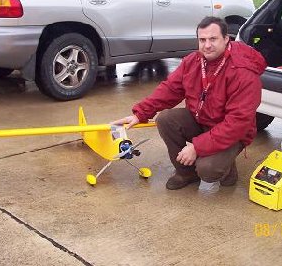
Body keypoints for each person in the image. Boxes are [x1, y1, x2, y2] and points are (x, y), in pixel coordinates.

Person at [112, 17, 267, 192]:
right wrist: (140, 113)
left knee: (207, 169)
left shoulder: (243, 72)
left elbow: (238, 123)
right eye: (202, 40)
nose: (207, 45)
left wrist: (197, 147)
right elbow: (170, 89)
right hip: (202, 119)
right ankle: (186, 173)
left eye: (213, 39)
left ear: (226, 39)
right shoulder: (193, 61)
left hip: (231, 132)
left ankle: (227, 168)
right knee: (166, 119)